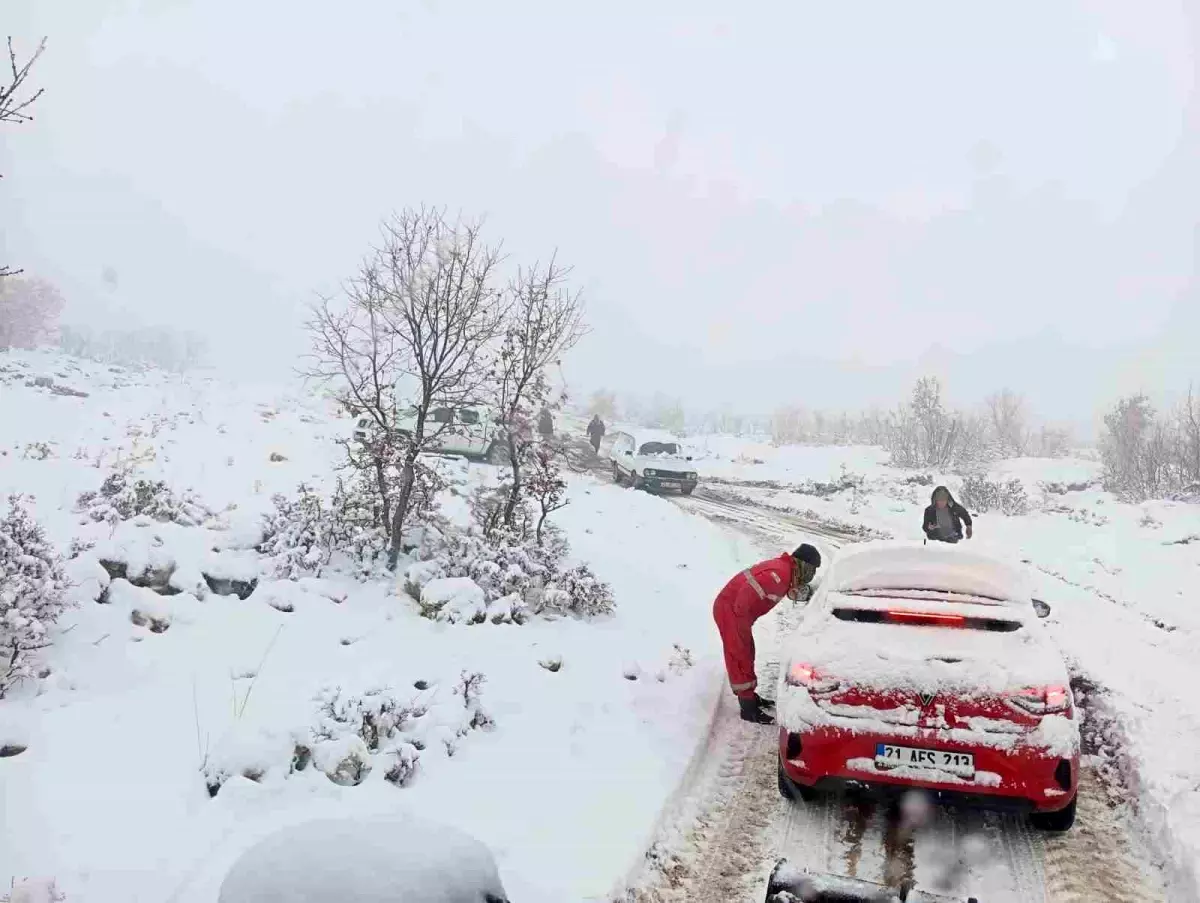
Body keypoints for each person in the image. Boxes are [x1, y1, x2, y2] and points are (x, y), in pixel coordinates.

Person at [712, 544, 823, 724]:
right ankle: (748, 708)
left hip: (736, 614)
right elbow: (748, 591)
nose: (811, 575)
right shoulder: (780, 574)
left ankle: (749, 697)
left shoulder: (785, 571)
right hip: (731, 612)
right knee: (740, 656)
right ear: (804, 566)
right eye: (811, 571)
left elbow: (779, 589)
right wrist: (741, 617)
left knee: (747, 652)